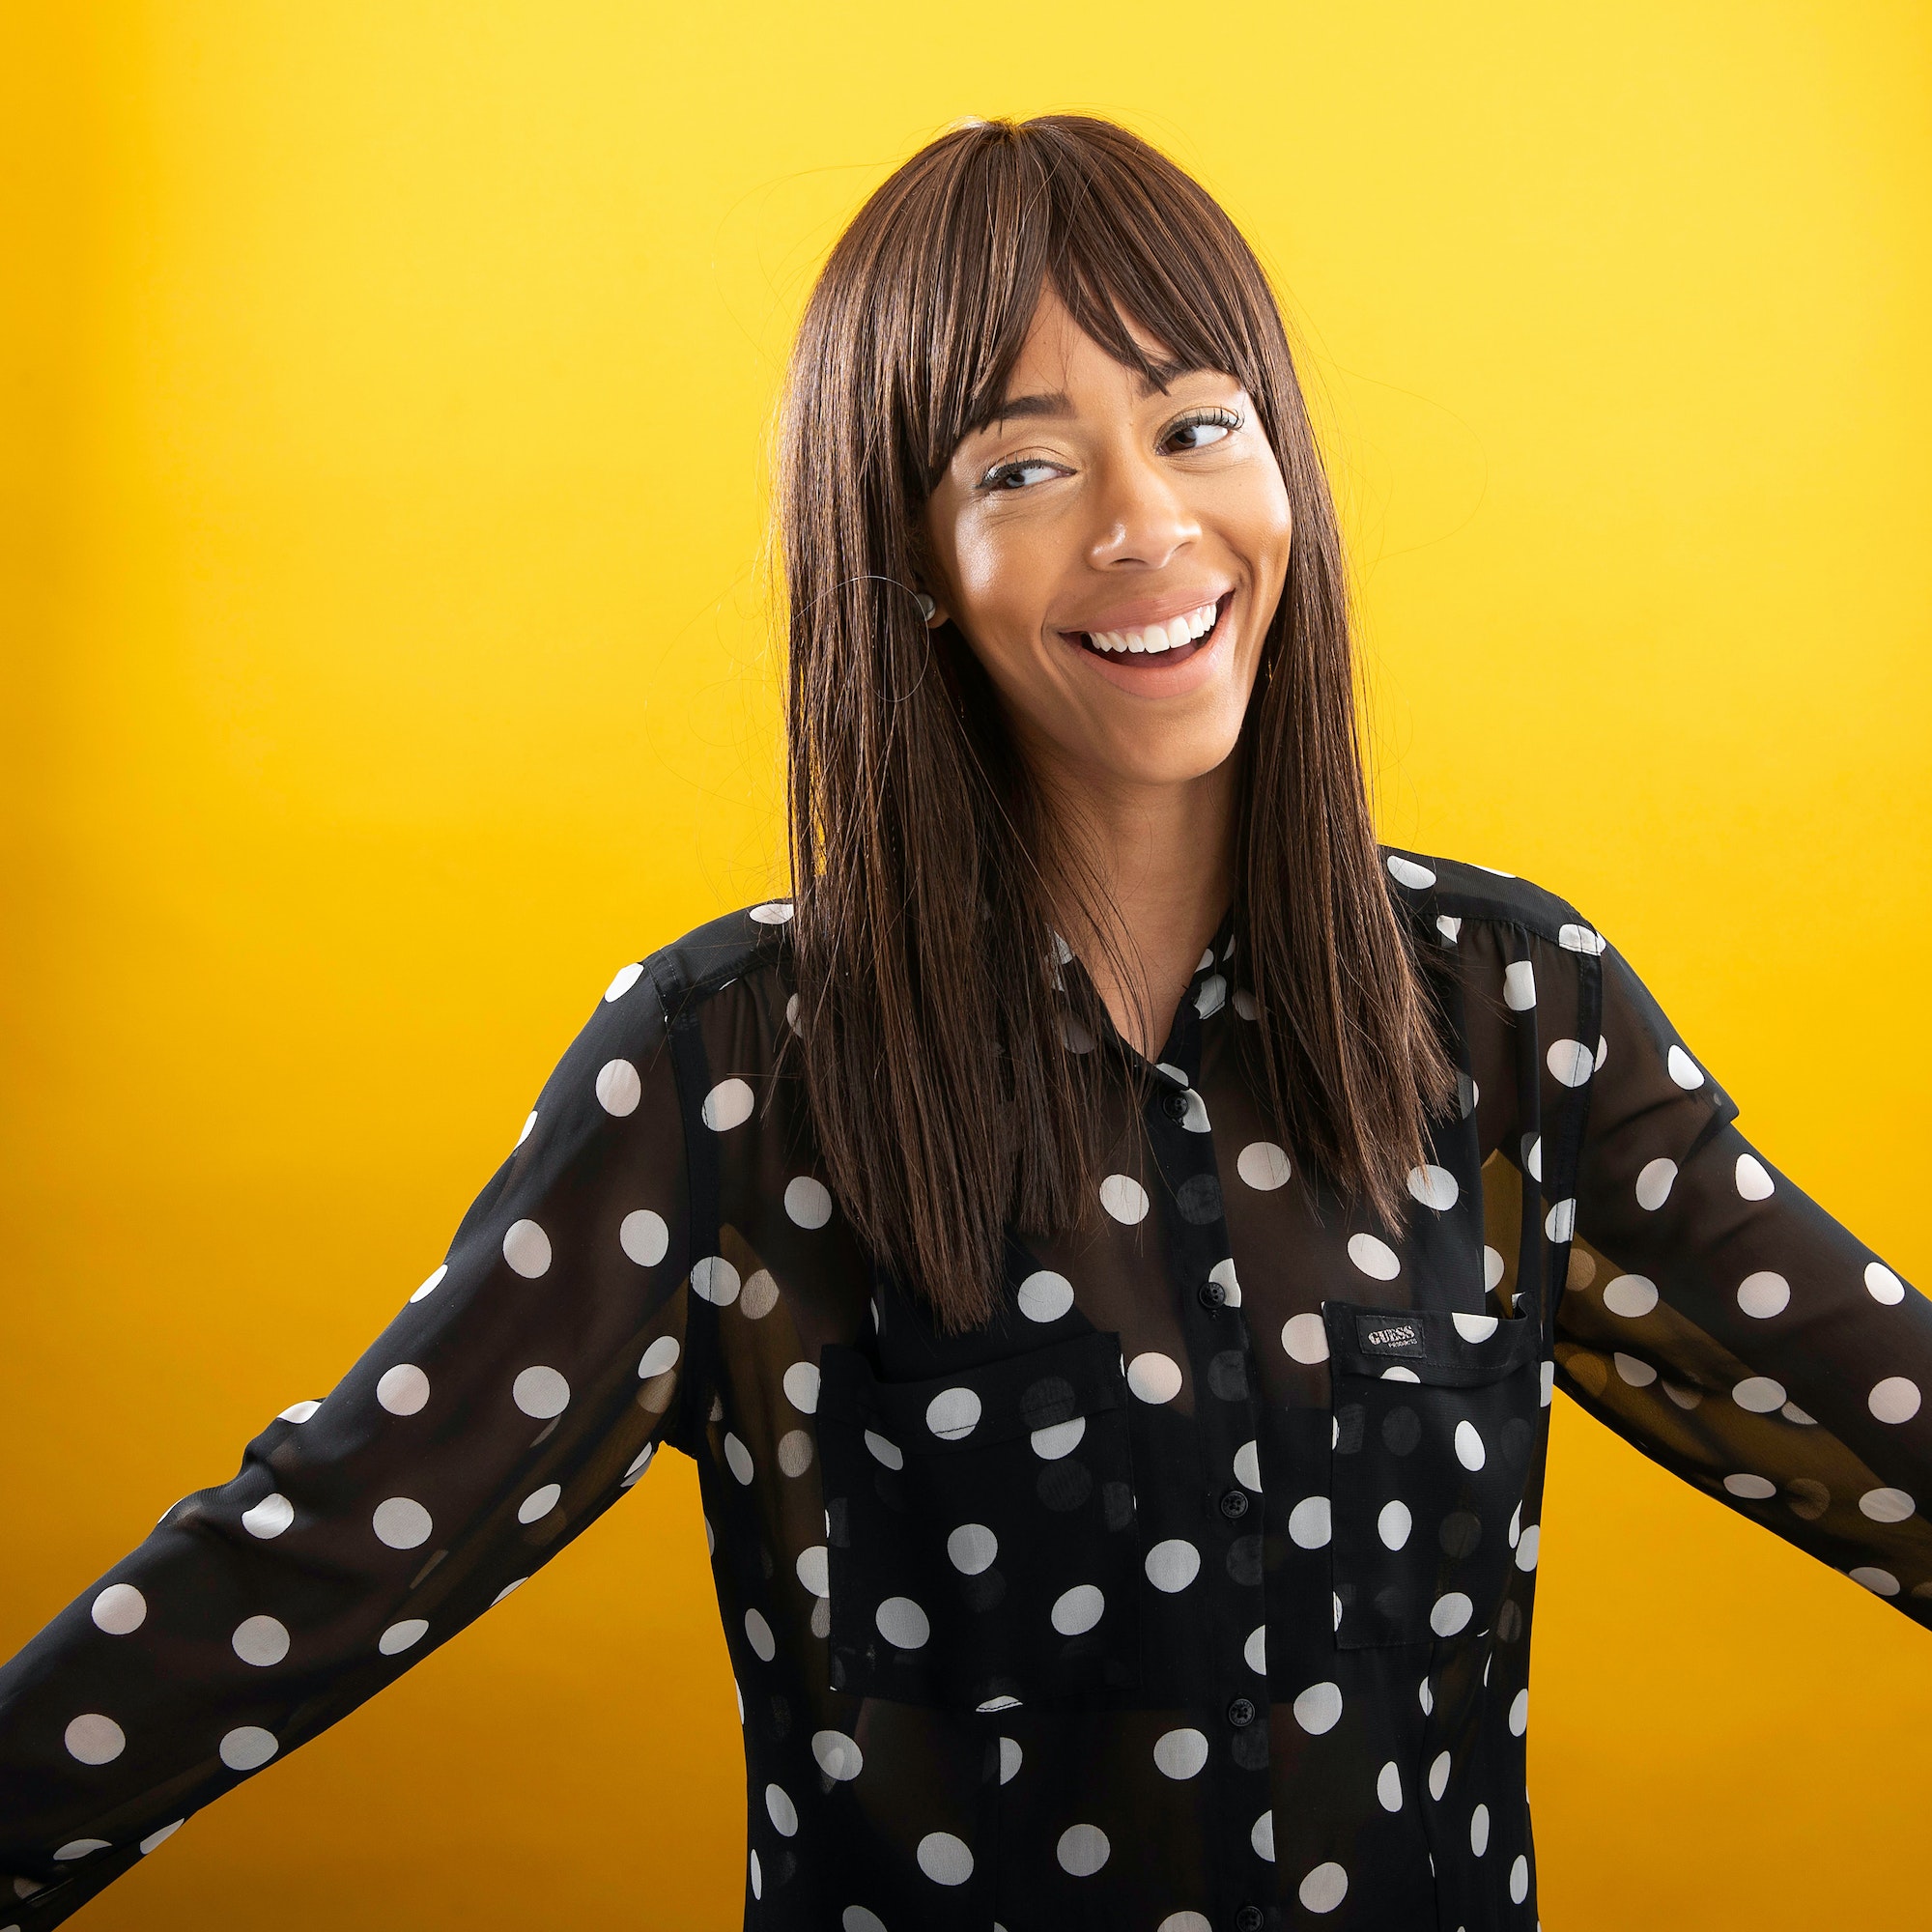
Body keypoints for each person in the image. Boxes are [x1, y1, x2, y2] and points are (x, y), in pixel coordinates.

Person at [0, 112, 1924, 1932]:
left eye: (1196, 424)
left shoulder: (1515, 1011)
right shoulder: (730, 1062)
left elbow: (1881, 1417)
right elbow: (333, 1546)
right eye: (1022, 464)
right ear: (910, 558)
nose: (1144, 522)